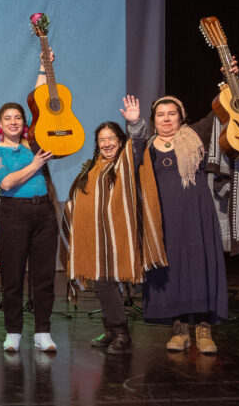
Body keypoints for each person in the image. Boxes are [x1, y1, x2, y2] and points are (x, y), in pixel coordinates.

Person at [60, 96, 168, 354]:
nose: (107, 144)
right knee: (102, 284)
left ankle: (122, 336)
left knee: (107, 283)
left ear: (120, 141)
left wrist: (134, 124)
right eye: (102, 140)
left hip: (118, 237)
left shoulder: (126, 162)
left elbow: (138, 144)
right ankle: (110, 331)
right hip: (96, 238)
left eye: (112, 139)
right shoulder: (94, 168)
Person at [135, 93, 230, 354]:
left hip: (196, 213)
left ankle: (203, 329)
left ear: (181, 116)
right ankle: (178, 329)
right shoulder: (147, 146)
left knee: (200, 266)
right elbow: (131, 161)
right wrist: (133, 124)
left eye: (172, 113)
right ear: (154, 120)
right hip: (163, 217)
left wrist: (230, 81)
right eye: (160, 115)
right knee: (171, 269)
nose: (166, 118)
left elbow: (220, 112)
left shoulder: (195, 134)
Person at [0, 58, 59, 353]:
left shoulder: (34, 141)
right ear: (0, 125)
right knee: (13, 275)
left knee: (43, 275)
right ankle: (13, 332)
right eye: (8, 118)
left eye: (18, 117)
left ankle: (43, 331)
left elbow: (40, 103)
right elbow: (6, 183)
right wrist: (35, 164)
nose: (14, 121)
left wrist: (44, 68)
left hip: (44, 211)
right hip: (13, 213)